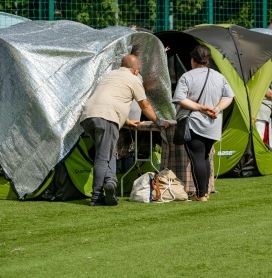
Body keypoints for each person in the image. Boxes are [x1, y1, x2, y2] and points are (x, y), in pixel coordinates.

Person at [80, 54, 170, 206]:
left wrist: (126, 120)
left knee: (108, 153)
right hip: (106, 117)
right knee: (103, 157)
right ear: (135, 70)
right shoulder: (134, 79)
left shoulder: (110, 75)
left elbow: (108, 97)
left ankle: (110, 182)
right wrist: (159, 121)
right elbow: (145, 105)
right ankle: (96, 196)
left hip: (88, 117)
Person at [172, 45, 234, 202]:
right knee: (205, 156)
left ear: (192, 59)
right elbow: (229, 97)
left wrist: (200, 107)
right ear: (208, 60)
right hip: (213, 123)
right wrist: (217, 109)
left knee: (197, 158)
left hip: (194, 122)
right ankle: (204, 192)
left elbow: (179, 98)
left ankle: (200, 195)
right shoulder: (219, 76)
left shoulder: (187, 77)